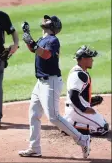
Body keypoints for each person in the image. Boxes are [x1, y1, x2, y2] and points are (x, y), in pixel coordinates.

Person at [18, 15, 91, 158]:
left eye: (48, 20)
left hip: (50, 82)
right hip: (40, 83)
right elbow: (34, 49)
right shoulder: (43, 39)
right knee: (34, 114)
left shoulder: (53, 40)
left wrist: (31, 42)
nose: (44, 20)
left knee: (54, 117)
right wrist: (27, 36)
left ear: (53, 26)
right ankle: (35, 148)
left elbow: (45, 55)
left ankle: (83, 139)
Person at [64, 45, 109, 136]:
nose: (92, 60)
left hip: (74, 107)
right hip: (76, 109)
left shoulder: (79, 71)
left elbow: (78, 94)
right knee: (102, 128)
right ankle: (69, 125)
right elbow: (73, 95)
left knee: (104, 123)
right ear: (83, 59)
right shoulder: (79, 74)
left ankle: (70, 121)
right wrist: (83, 109)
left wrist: (89, 101)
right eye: (90, 58)